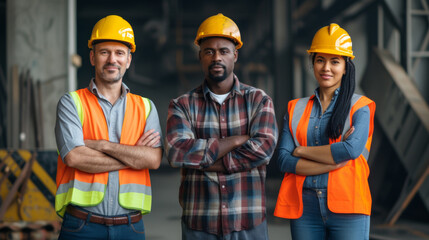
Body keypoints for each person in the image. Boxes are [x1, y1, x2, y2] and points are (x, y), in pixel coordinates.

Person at [165, 13, 278, 240]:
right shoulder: (182, 105)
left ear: (235, 55)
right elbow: (177, 152)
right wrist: (236, 141)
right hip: (200, 222)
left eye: (223, 51)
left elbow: (263, 149)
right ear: (200, 57)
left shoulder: (258, 100)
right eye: (209, 51)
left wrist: (205, 161)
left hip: (247, 221)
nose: (216, 57)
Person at [55, 15, 163, 240]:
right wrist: (132, 156)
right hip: (81, 226)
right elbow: (75, 157)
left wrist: (102, 145)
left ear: (129, 60)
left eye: (119, 53)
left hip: (130, 228)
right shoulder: (71, 103)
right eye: (104, 52)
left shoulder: (145, 107)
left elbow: (153, 160)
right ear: (93, 57)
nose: (112, 59)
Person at [274, 23, 376, 240]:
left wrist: (300, 151)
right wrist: (331, 162)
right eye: (320, 60)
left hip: (349, 206)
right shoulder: (296, 108)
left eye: (335, 61)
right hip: (305, 207)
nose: (326, 68)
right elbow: (282, 160)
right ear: (312, 63)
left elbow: (350, 150)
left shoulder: (360, 107)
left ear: (346, 66)